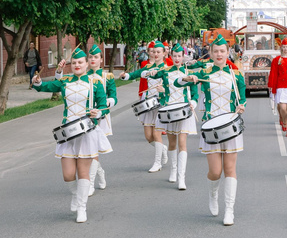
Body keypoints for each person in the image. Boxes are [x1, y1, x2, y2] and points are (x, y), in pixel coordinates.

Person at [32, 48, 110, 223]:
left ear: (87, 64)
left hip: (87, 131)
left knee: (83, 172)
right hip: (67, 132)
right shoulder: (65, 81)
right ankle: (76, 195)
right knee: (68, 174)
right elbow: (45, 86)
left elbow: (104, 106)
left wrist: (97, 112)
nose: (76, 65)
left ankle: (82, 208)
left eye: (80, 62)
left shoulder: (95, 82)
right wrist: (36, 82)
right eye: (74, 62)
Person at [179, 35, 246, 226]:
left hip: (231, 125)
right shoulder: (204, 72)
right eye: (215, 51)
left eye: (222, 51)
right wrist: (188, 79)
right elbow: (179, 83)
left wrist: (242, 106)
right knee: (215, 172)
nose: (219, 54)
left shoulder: (236, 74)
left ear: (227, 53)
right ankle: (213, 193)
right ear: (210, 53)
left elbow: (242, 97)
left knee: (230, 169)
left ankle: (229, 211)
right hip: (211, 126)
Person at [55, 43, 117, 196]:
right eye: (91, 57)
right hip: (81, 117)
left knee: (91, 151)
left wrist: (106, 104)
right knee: (90, 152)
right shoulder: (82, 74)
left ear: (101, 60)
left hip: (99, 115)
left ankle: (90, 180)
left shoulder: (106, 76)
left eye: (96, 57)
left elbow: (113, 97)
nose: (93, 59)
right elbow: (61, 84)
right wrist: (59, 71)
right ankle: (95, 175)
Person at [149, 43, 199, 189]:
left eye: (179, 56)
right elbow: (152, 75)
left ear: (183, 57)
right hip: (169, 111)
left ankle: (181, 178)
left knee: (182, 143)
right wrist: (151, 73)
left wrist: (193, 104)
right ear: (171, 56)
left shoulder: (188, 73)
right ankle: (173, 169)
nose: (177, 58)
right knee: (172, 143)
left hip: (184, 111)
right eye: (175, 56)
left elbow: (195, 94)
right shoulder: (165, 72)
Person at [119, 41, 169, 173]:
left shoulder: (167, 69)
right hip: (148, 104)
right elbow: (134, 75)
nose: (156, 54)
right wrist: (125, 76)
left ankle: (157, 163)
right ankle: (162, 148)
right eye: (154, 51)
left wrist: (164, 89)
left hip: (161, 104)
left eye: (159, 52)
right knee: (148, 136)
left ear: (164, 53)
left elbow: (173, 87)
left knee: (156, 133)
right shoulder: (148, 67)